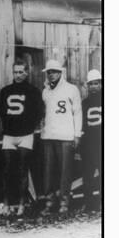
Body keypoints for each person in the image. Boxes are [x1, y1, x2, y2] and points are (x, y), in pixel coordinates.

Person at [0, 60, 43, 216]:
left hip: (26, 135)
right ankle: (7, 204)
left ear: (26, 72)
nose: (18, 75)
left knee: (23, 170)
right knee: (7, 170)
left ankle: (22, 204)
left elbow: (38, 113)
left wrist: (28, 126)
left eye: (21, 72)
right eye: (15, 72)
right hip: (9, 135)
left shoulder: (34, 91)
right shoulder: (5, 91)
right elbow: (1, 113)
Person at [40, 59, 82, 215]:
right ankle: (50, 201)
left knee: (65, 171)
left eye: (54, 72)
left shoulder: (71, 89)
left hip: (66, 136)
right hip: (49, 136)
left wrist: (77, 134)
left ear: (60, 73)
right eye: (49, 72)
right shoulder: (45, 91)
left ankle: (64, 202)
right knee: (49, 171)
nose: (51, 75)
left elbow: (77, 113)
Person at [80, 69, 102, 211]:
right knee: (87, 174)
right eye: (91, 84)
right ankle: (88, 203)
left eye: (96, 83)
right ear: (87, 86)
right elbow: (82, 125)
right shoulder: (85, 103)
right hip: (88, 143)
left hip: (101, 143)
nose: (93, 86)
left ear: (100, 84)